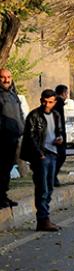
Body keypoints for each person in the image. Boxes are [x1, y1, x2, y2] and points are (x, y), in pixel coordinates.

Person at [20, 89, 64, 231]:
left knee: (49, 187)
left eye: (50, 102)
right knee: (42, 188)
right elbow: (30, 137)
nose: (47, 104)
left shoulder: (56, 115)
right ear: (41, 100)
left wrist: (60, 139)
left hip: (53, 153)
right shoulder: (34, 115)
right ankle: (43, 220)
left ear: (55, 102)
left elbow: (59, 132)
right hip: (41, 156)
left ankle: (45, 217)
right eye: (44, 101)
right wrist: (39, 154)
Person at [0, 68, 24, 208]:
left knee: (7, 169)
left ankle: (3, 195)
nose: (6, 80)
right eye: (3, 77)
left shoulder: (12, 94)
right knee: (2, 169)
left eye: (9, 77)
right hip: (3, 139)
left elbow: (19, 114)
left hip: (14, 138)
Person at [53, 84, 70, 187]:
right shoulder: (58, 104)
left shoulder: (59, 104)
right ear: (63, 93)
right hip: (58, 134)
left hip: (58, 133)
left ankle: (52, 176)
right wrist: (60, 133)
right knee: (61, 155)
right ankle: (52, 176)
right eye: (66, 93)